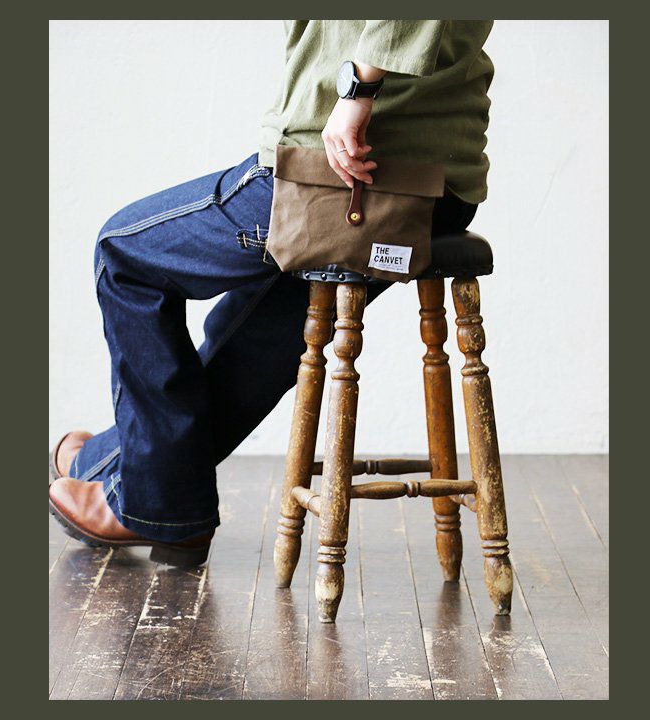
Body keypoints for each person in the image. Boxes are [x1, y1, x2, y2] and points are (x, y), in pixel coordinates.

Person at [49, 20, 494, 566]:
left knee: (124, 253)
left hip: (346, 172)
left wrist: (359, 88)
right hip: (440, 181)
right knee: (259, 330)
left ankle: (154, 507)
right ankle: (121, 475)